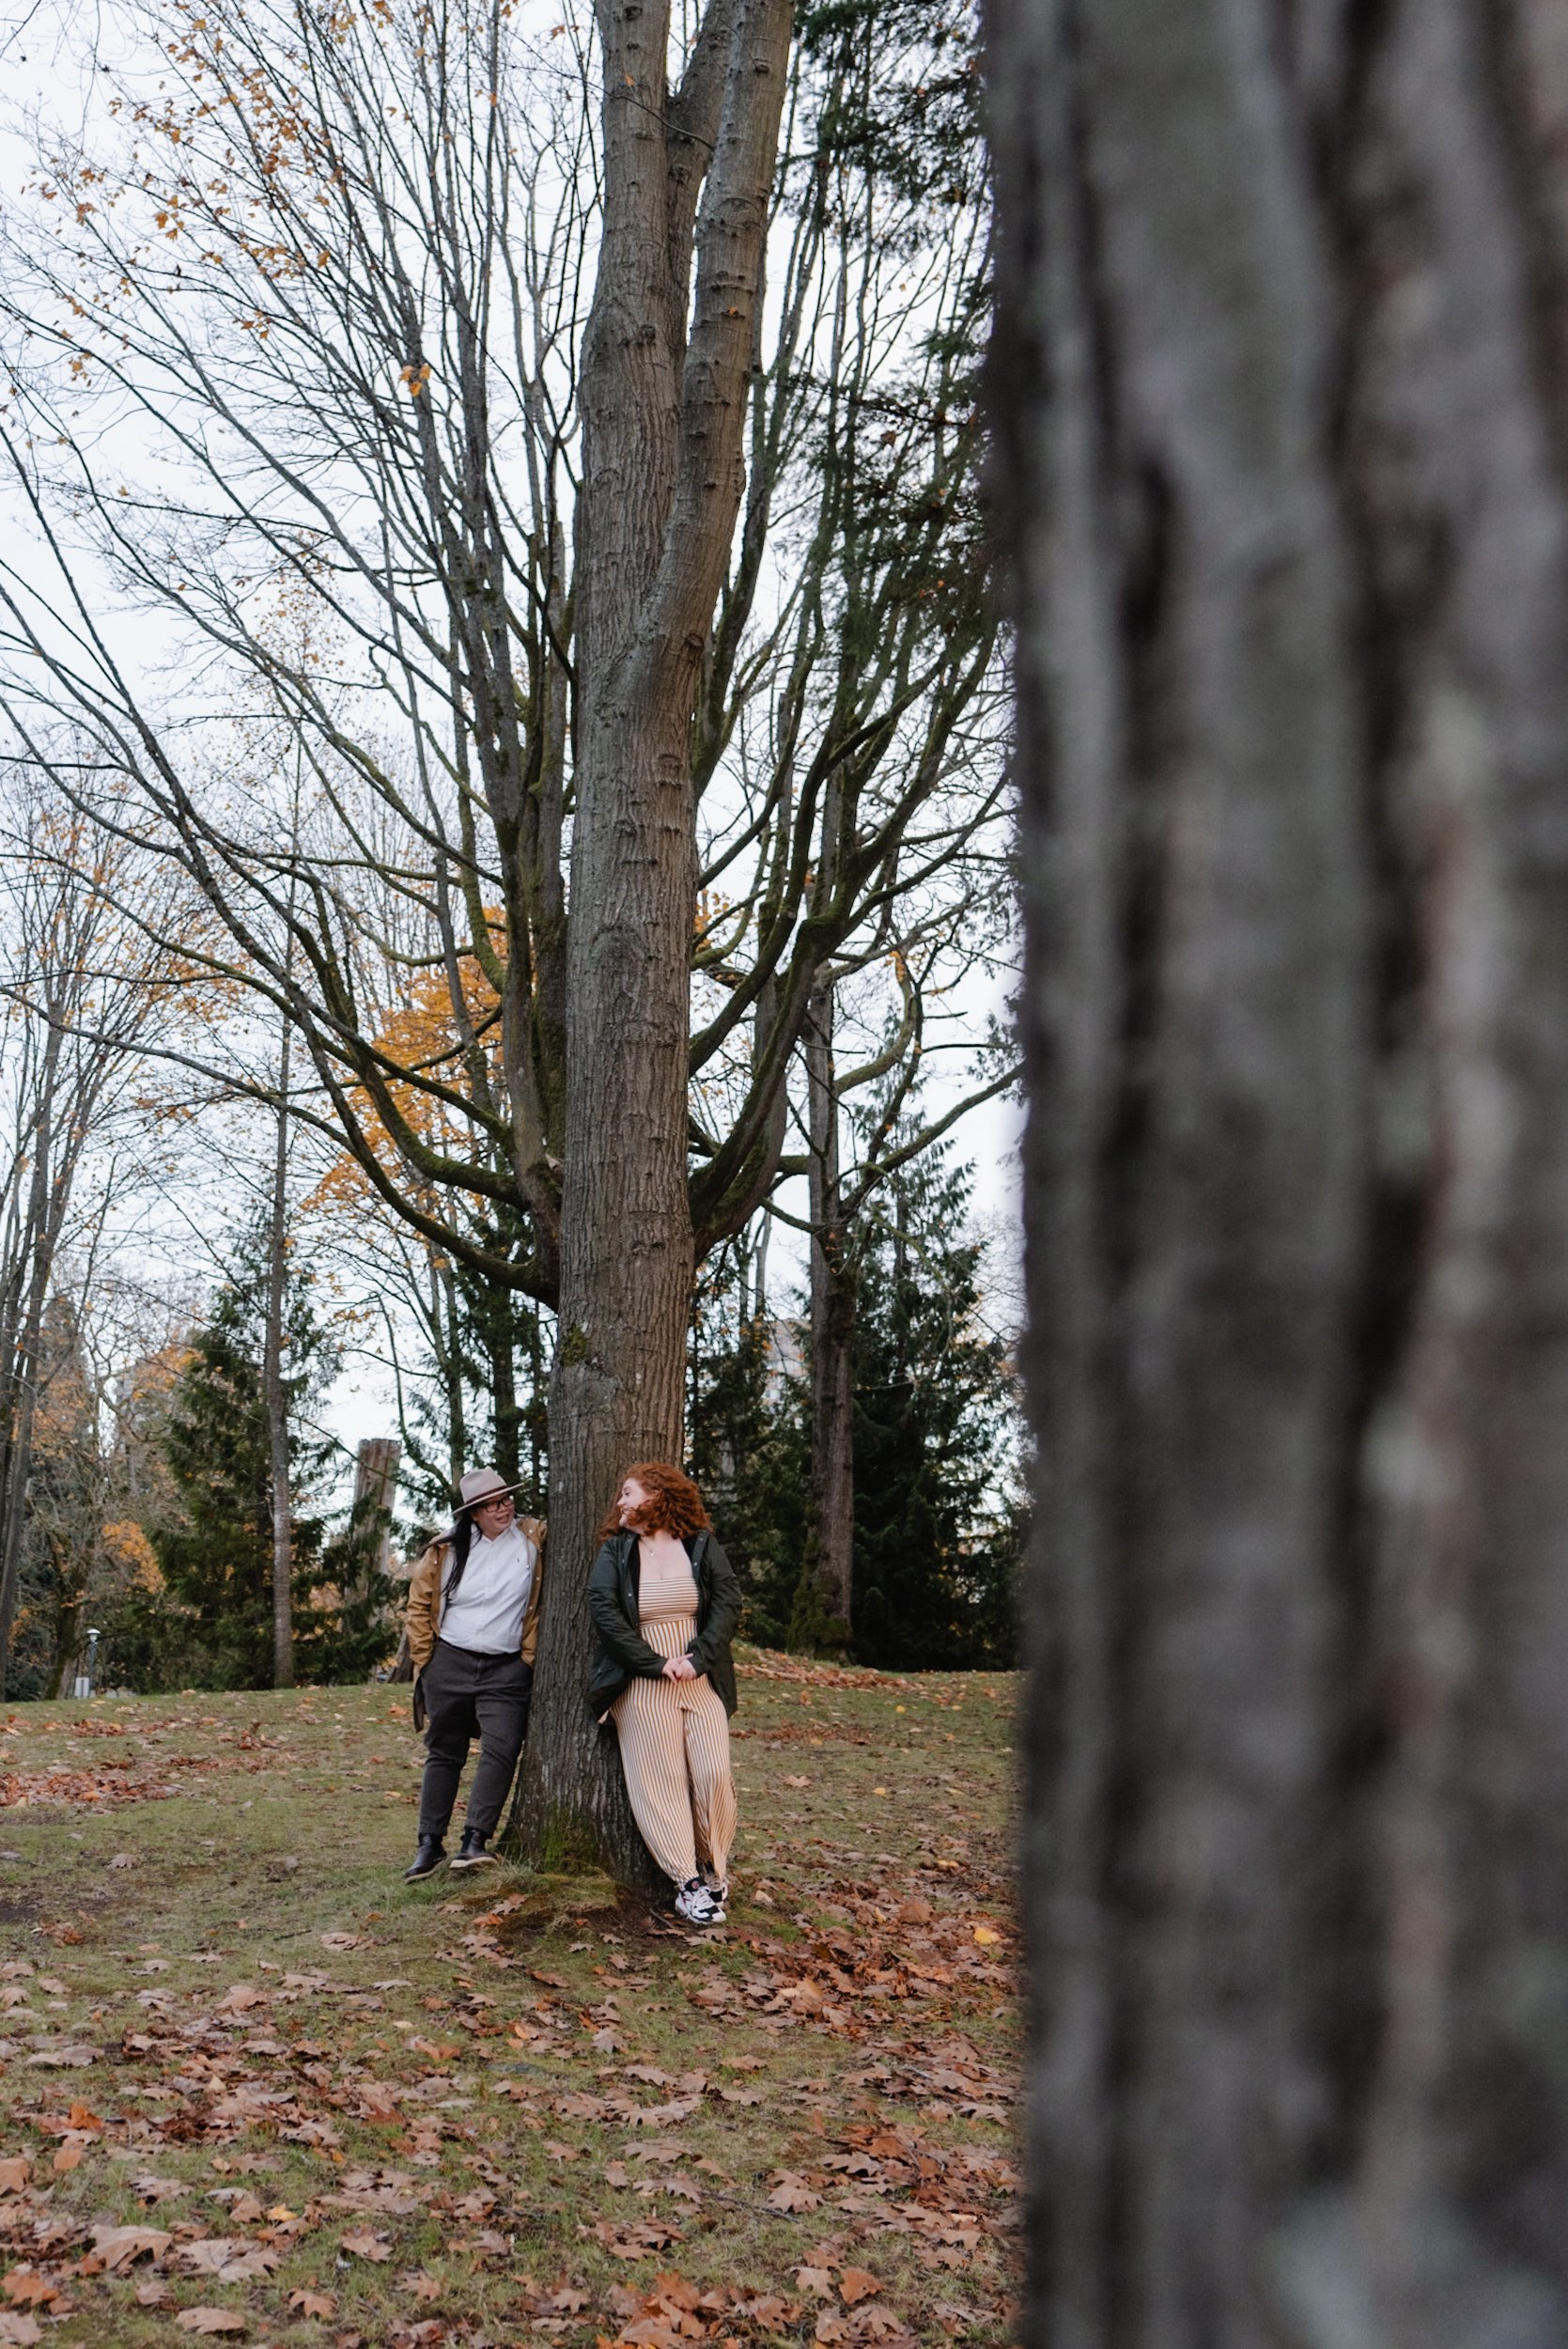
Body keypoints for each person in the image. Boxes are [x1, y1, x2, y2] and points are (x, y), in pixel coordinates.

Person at [586, 1461, 740, 1927]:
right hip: (642, 1682)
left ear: (657, 1495)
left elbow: (728, 1602)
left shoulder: (699, 1545)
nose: (621, 1502)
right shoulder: (615, 1552)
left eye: (629, 1492)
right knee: (661, 1781)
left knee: (714, 1772)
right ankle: (687, 1885)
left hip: (699, 1677)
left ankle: (714, 1866)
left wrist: (697, 1658)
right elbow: (605, 1611)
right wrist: (656, 1664)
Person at [402, 1467, 547, 1883]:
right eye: (493, 1503)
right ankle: (429, 1845)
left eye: (507, 1499)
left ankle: (475, 1841)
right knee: (445, 1751)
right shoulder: (445, 1550)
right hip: (450, 1662)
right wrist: (427, 1662)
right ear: (474, 1513)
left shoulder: (534, 1538)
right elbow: (419, 1604)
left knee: (502, 1747)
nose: (504, 1507)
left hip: (507, 1667)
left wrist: (527, 1660)